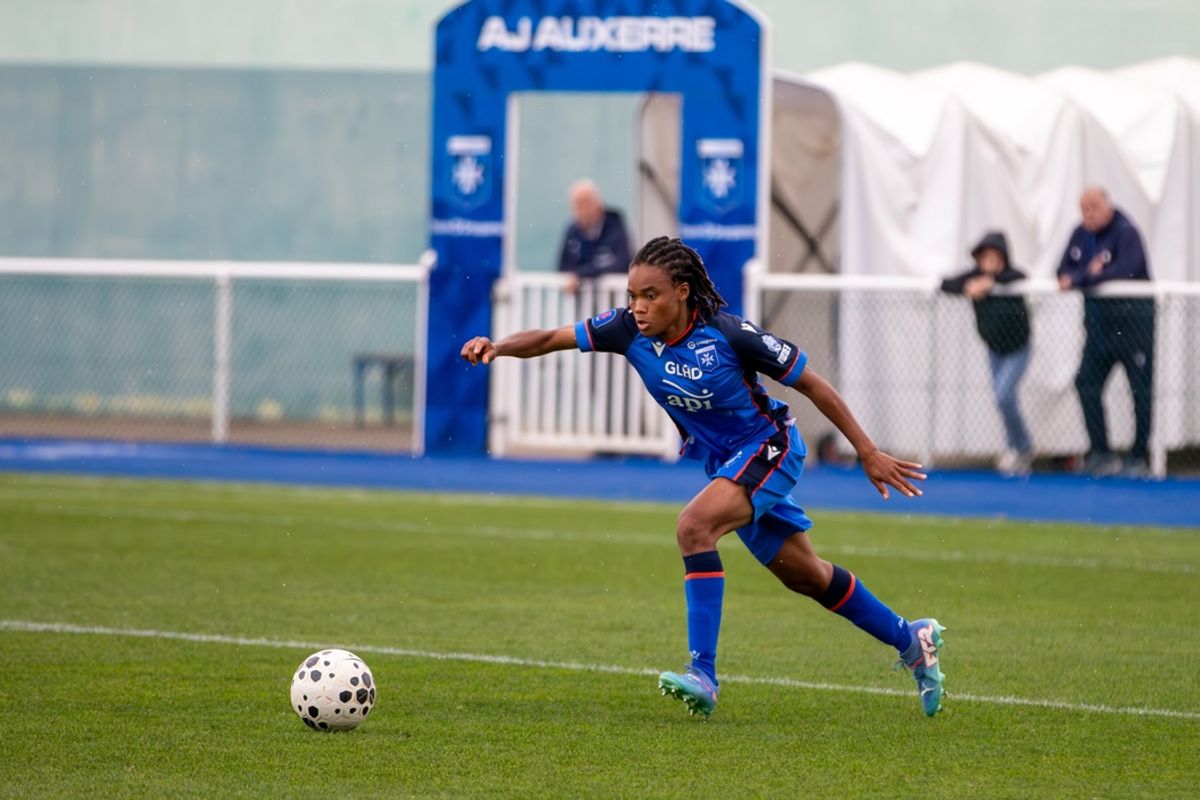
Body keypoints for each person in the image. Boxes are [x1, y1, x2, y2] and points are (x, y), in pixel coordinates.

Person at [461, 236, 944, 719]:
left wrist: (866, 450)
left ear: (683, 292)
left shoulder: (730, 335)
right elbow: (548, 339)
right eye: (633, 296)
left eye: (651, 295)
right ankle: (911, 638)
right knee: (807, 577)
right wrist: (497, 347)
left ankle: (703, 674)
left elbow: (813, 383)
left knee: (694, 526)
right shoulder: (626, 330)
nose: (638, 307)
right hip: (727, 462)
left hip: (770, 447)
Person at [1057, 187, 1155, 477]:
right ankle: (1101, 452)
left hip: (1134, 327)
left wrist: (1083, 276)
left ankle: (1139, 457)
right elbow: (1062, 271)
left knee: (1140, 390)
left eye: (1093, 207)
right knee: (1085, 382)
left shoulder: (1127, 233)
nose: (1088, 214)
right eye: (1083, 208)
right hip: (1099, 331)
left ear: (1108, 206)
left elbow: (1126, 270)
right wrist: (1090, 273)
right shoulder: (1080, 234)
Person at [941, 231, 1033, 476]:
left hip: (1018, 348)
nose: (990, 264)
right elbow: (946, 284)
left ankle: (1022, 446)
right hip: (994, 349)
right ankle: (1014, 446)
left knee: (1004, 394)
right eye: (986, 258)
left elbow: (1021, 275)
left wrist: (993, 283)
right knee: (1001, 398)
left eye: (995, 258)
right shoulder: (974, 277)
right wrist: (968, 287)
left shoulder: (1010, 280)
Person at [557, 179, 632, 291]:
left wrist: (581, 273)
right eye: (578, 204)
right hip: (584, 302)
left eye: (586, 202)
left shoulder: (614, 225)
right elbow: (563, 266)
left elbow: (621, 262)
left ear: (599, 203)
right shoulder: (572, 232)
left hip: (615, 298)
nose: (583, 210)